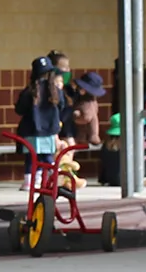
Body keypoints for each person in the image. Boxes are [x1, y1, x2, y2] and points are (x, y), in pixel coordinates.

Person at [13, 55, 65, 191]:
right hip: (49, 131)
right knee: (47, 157)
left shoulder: (29, 91)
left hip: (31, 131)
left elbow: (19, 110)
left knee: (31, 157)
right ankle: (51, 178)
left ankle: (28, 182)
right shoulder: (56, 92)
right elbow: (62, 106)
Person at [63, 71, 107, 150]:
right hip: (71, 128)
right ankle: (82, 137)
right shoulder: (76, 95)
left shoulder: (91, 102)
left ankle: (93, 136)